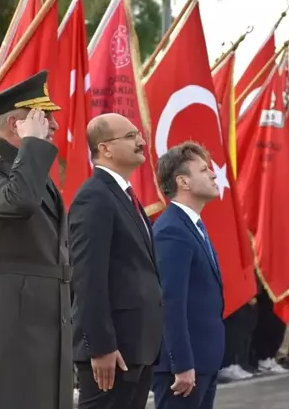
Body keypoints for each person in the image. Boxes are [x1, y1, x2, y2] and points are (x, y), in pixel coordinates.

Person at [0, 70, 73, 409]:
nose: (54, 126)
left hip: (44, 309)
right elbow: (17, 202)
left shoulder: (35, 174)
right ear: (15, 126)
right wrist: (33, 144)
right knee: (11, 398)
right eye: (43, 117)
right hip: (8, 309)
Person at [69, 113, 163, 409]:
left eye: (139, 135)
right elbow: (87, 276)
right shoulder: (95, 196)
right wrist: (101, 346)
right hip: (113, 350)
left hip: (137, 346)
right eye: (131, 136)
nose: (141, 142)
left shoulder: (125, 196)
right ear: (105, 148)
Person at [151, 142, 225, 409]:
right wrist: (181, 364)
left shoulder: (193, 225)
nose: (214, 175)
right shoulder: (172, 230)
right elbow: (169, 302)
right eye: (204, 170)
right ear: (183, 181)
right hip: (183, 369)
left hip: (203, 361)